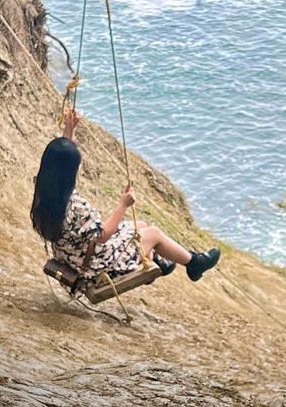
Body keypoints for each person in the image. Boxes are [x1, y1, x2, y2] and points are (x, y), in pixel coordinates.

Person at [31, 113, 220, 287]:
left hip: (71, 255)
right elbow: (103, 234)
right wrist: (123, 204)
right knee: (153, 233)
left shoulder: (44, 190)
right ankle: (194, 263)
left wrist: (69, 130)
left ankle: (159, 262)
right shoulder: (76, 207)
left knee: (142, 225)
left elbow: (60, 161)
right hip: (93, 266)